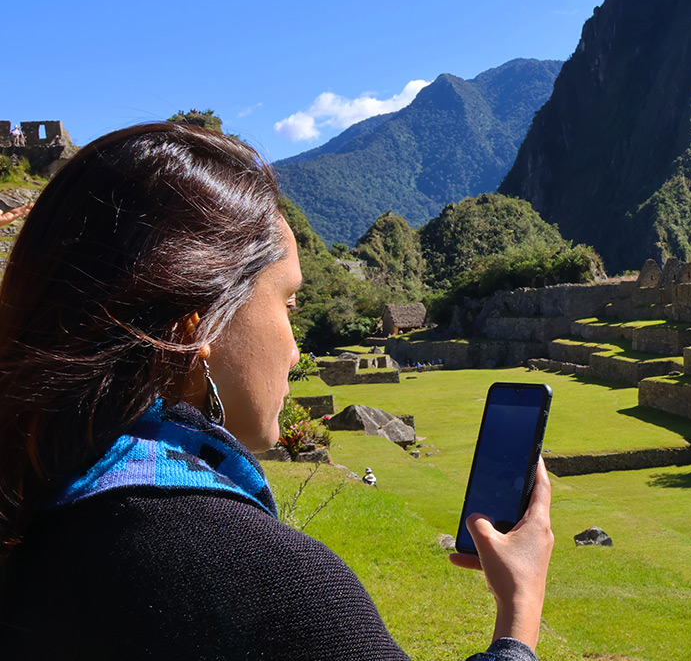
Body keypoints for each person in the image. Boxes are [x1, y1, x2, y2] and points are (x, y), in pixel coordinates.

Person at [0, 123, 554, 659]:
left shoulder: (36, 507)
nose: (294, 351)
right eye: (288, 304)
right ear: (196, 326)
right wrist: (520, 614)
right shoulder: (270, 585)